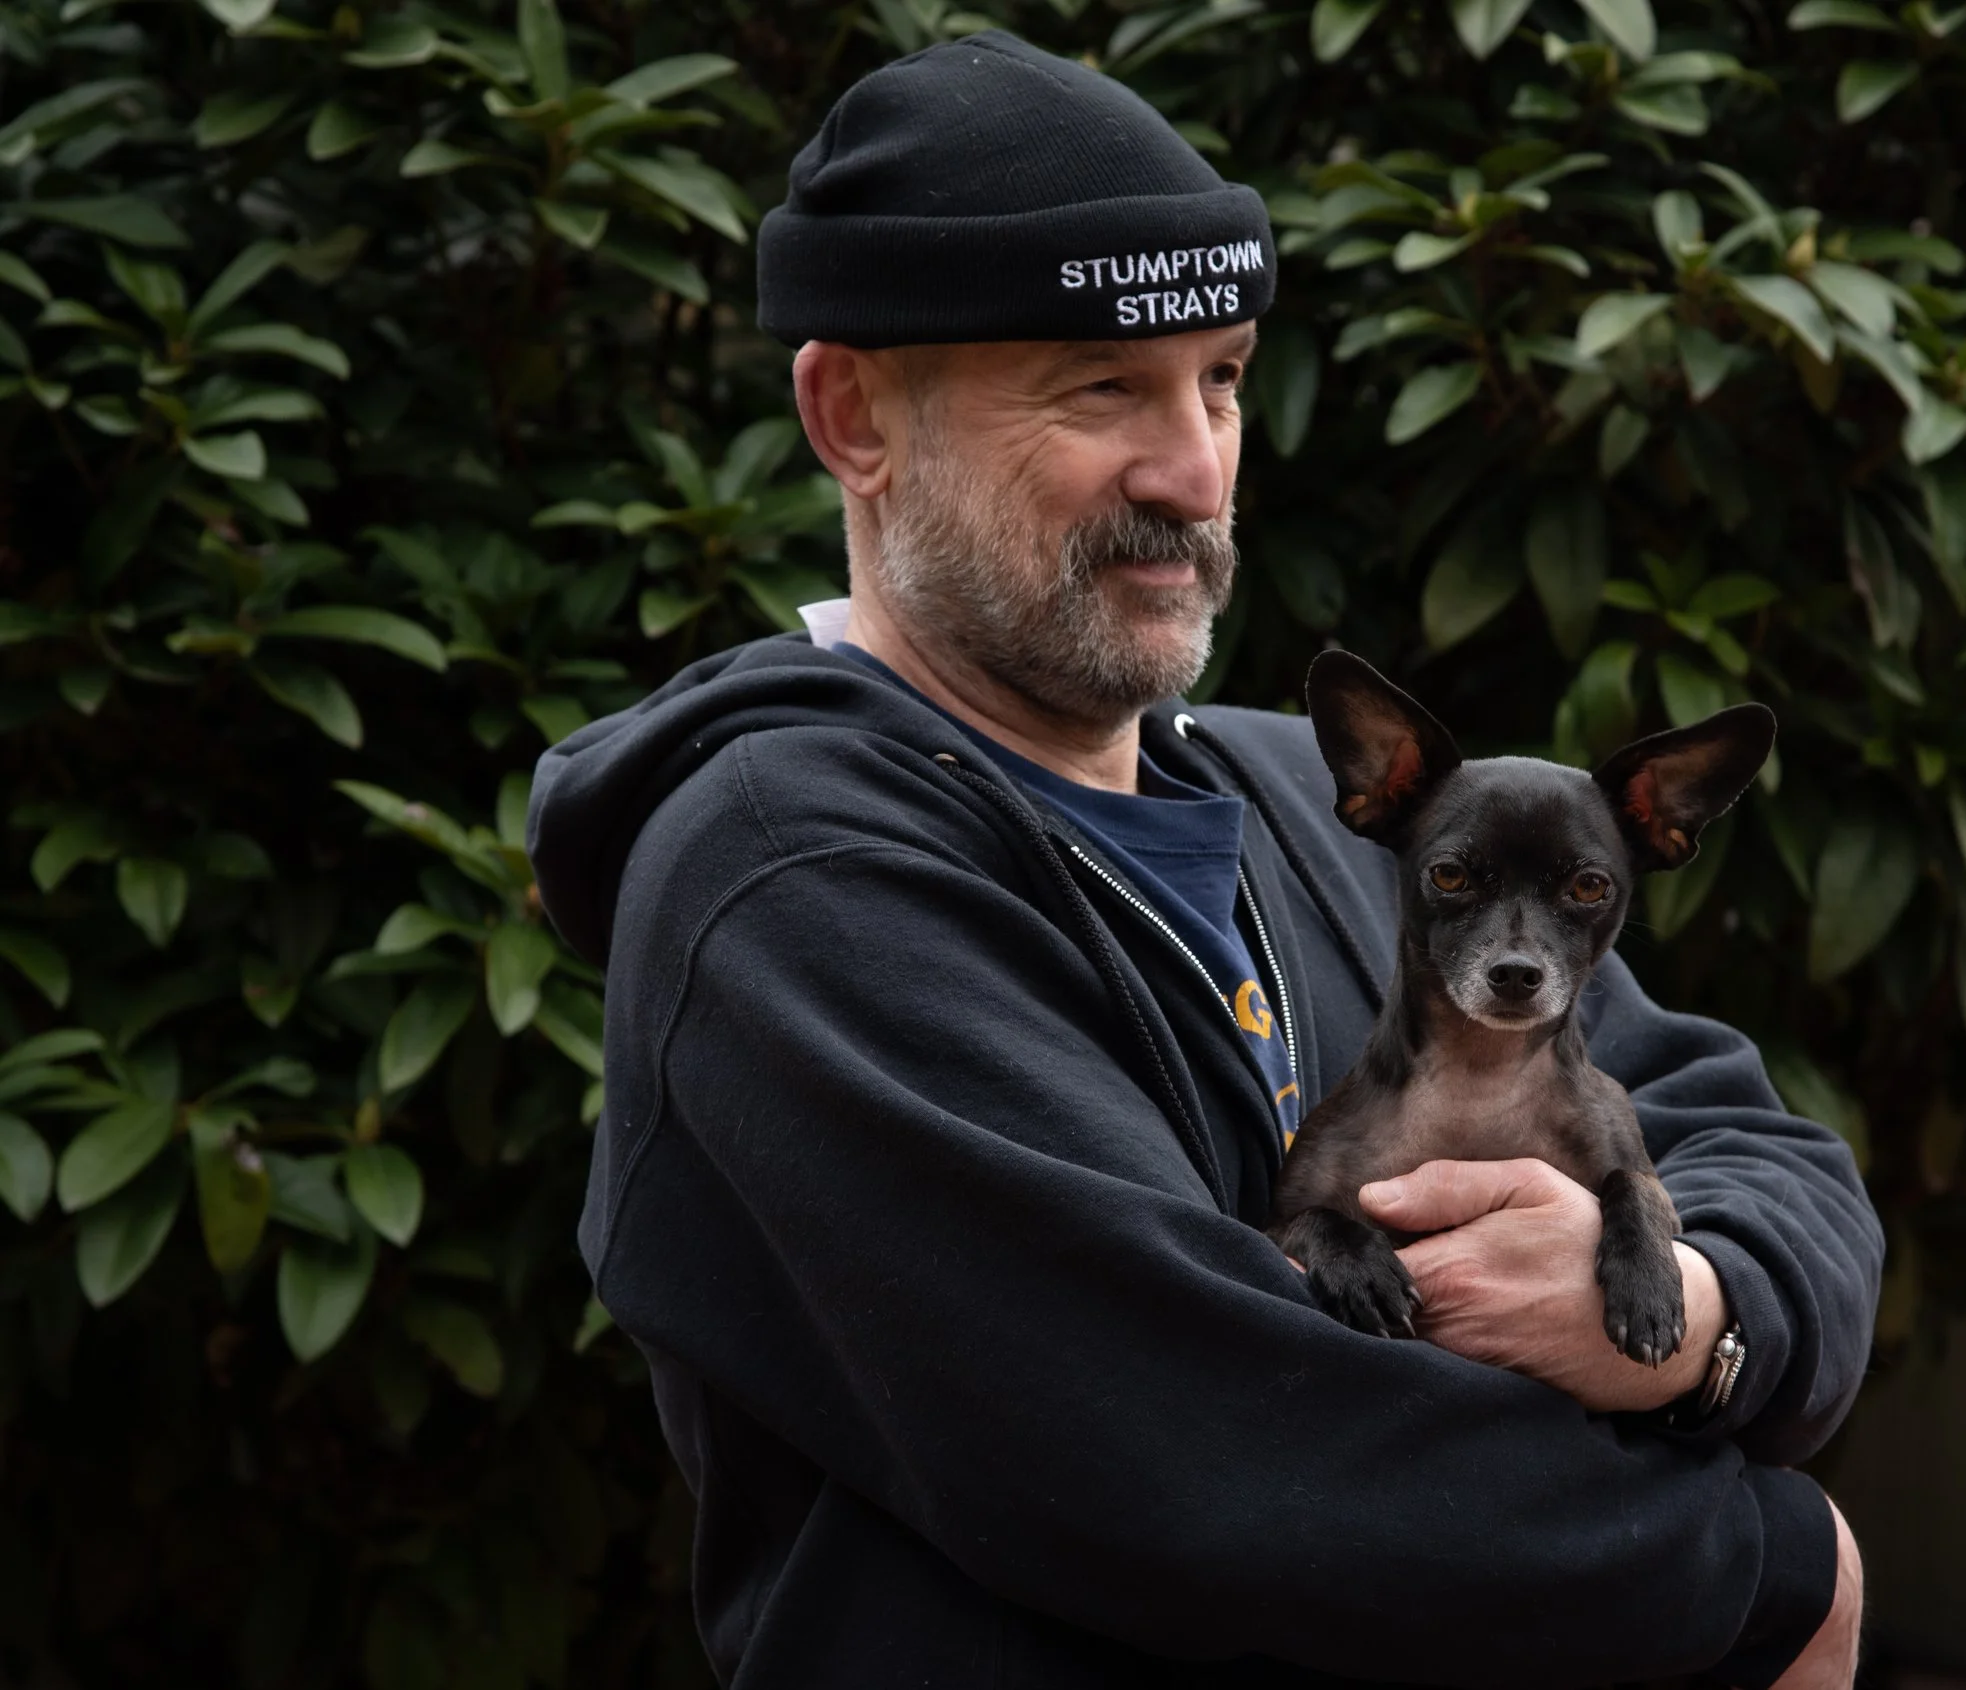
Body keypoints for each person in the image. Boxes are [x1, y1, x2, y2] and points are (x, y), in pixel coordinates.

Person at [528, 30, 1882, 1689]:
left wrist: (1687, 1312)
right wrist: (1773, 1564)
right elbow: (1222, 1452)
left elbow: (1757, 1145)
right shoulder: (792, 884)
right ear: (853, 415)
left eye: (1222, 377)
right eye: (1102, 385)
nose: (1193, 471)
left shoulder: (1331, 811)